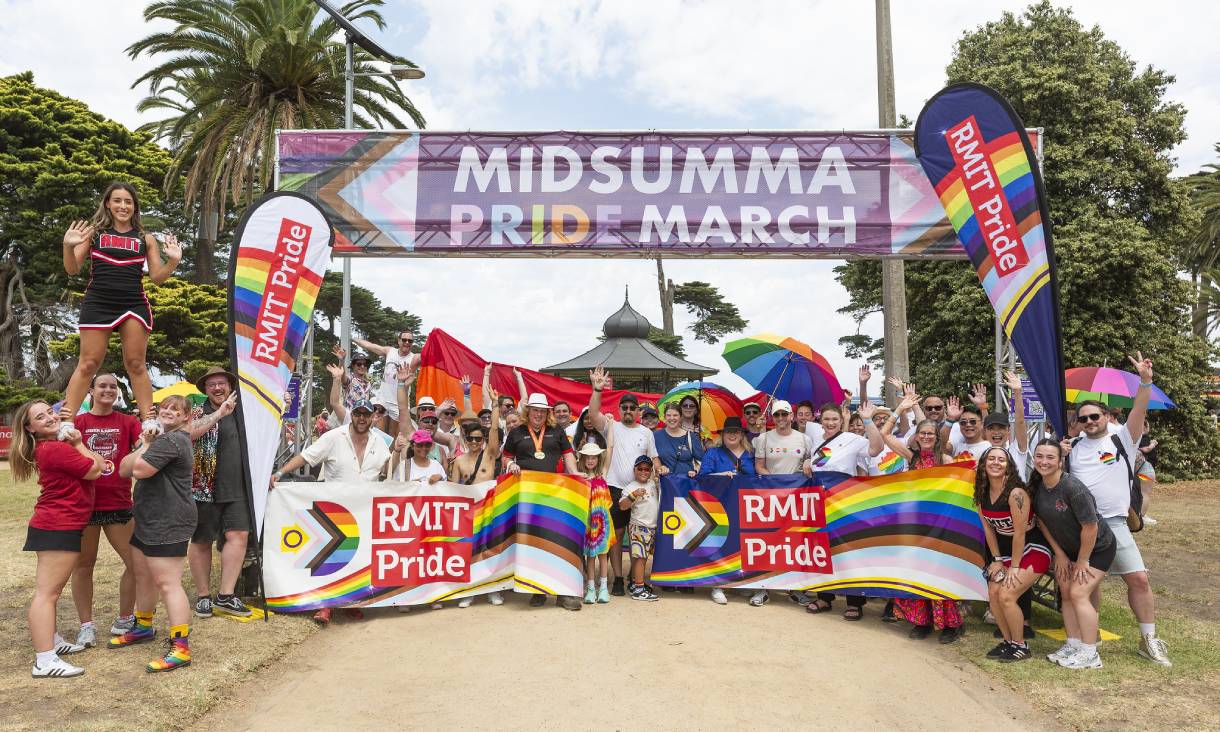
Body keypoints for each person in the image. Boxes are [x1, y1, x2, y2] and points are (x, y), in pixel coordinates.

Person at [1065, 353, 1170, 666]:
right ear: (1077, 423)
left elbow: (1139, 408)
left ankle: (1149, 639)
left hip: (1115, 523)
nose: (1089, 422)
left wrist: (1145, 381)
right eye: (1083, 419)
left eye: (1094, 417)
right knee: (1088, 584)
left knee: (1138, 579)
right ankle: (1089, 636)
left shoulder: (1123, 438)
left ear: (1106, 416)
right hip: (1083, 526)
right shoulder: (1072, 448)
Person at [58, 183, 182, 436]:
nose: (123, 206)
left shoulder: (144, 239)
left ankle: (149, 421)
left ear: (135, 206)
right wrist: (68, 246)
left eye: (128, 202)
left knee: (135, 363)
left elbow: (157, 277)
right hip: (98, 302)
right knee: (89, 363)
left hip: (133, 304)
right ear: (107, 204)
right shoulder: (94, 233)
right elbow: (72, 269)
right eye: (117, 201)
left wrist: (173, 261)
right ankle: (67, 421)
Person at [11, 400, 105, 678]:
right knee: (46, 595)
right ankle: (44, 660)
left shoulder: (55, 445)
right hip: (57, 525)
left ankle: (51, 641)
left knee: (50, 592)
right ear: (30, 428)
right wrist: (78, 443)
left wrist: (76, 443)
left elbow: (98, 465)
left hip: (60, 524)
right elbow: (95, 470)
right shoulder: (53, 448)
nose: (50, 417)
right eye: (41, 417)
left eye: (50, 412)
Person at [107, 395, 197, 673]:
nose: (169, 412)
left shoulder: (173, 441)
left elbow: (140, 470)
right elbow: (123, 470)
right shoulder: (158, 441)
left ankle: (180, 647)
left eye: (176, 409)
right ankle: (144, 626)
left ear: (186, 418)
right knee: (143, 574)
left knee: (168, 583)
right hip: (148, 519)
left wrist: (144, 445)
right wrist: (145, 443)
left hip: (168, 522)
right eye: (165, 407)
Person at [71, 374, 143, 647]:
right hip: (84, 505)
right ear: (90, 390)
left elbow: (143, 450)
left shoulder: (128, 421)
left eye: (113, 386)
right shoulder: (78, 423)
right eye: (102, 385)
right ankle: (86, 626)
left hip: (119, 503)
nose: (108, 390)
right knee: (83, 566)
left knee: (136, 563)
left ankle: (125, 619)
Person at [1031, 440, 1116, 669]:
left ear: (1061, 461)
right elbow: (1042, 522)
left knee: (1079, 593)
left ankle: (1090, 654)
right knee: (1066, 593)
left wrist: (1082, 561)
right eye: (1040, 456)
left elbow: (1091, 527)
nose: (1044, 461)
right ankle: (1073, 643)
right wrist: (1059, 554)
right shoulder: (1037, 486)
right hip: (1067, 550)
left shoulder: (1072, 488)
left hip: (1097, 548)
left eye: (1050, 457)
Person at [805, 401, 884, 618]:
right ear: (821, 422)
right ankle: (824, 597)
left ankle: (855, 601)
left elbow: (876, 448)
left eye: (834, 419)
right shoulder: (815, 442)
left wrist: (868, 420)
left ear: (842, 421)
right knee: (822, 549)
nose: (830, 423)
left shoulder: (853, 440)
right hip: (820, 501)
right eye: (826, 419)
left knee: (848, 549)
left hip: (844, 501)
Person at [502, 392, 580, 610]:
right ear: (528, 411)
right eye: (534, 410)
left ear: (547, 413)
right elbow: (506, 456)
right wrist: (510, 465)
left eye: (542, 411)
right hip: (527, 495)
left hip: (555, 494)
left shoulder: (557, 432)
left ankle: (564, 593)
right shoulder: (516, 432)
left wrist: (574, 474)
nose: (538, 414)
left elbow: (568, 455)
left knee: (559, 539)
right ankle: (537, 590)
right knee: (532, 541)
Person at [587, 366, 660, 597]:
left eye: (632, 408)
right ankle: (617, 577)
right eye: (624, 407)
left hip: (641, 491)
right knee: (617, 537)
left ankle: (635, 577)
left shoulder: (646, 433)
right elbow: (592, 413)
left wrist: (659, 469)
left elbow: (653, 457)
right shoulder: (612, 426)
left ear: (638, 411)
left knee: (641, 534)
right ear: (619, 409)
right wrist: (597, 390)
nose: (628, 411)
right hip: (615, 488)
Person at [975, 446, 1050, 663]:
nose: (996, 463)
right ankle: (1008, 641)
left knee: (1007, 595)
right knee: (993, 592)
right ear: (984, 463)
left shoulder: (1016, 493)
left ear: (1009, 465)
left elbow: (1019, 533)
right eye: (991, 459)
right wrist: (997, 561)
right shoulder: (981, 491)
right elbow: (989, 530)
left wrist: (1014, 567)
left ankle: (1021, 645)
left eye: (1001, 459)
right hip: (1006, 550)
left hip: (1032, 547)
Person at [185, 367, 246, 619]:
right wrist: (219, 414)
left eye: (222, 383)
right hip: (203, 487)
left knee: (238, 535)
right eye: (212, 385)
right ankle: (202, 596)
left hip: (239, 486)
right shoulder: (199, 411)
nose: (218, 388)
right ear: (205, 389)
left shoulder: (245, 411)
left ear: (230, 386)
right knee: (201, 540)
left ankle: (226, 595)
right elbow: (187, 432)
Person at [698, 416, 754, 605]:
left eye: (736, 431)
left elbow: (757, 478)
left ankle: (740, 581)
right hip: (719, 505)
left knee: (742, 544)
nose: (732, 435)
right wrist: (720, 475)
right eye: (729, 431)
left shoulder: (749, 454)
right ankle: (718, 584)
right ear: (722, 434)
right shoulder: (713, 453)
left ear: (742, 434)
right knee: (720, 543)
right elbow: (702, 477)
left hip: (745, 506)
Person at [654, 402, 704, 595]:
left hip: (686, 491)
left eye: (676, 415)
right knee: (667, 532)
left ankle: (686, 577)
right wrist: (659, 467)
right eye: (669, 415)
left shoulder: (692, 437)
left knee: (688, 533)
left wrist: (696, 471)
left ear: (681, 417)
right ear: (664, 417)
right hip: (665, 491)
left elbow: (701, 461)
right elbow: (653, 457)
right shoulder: (656, 435)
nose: (672, 418)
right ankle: (667, 574)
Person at [353, 330, 420, 437]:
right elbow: (370, 346)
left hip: (399, 404)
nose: (407, 342)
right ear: (399, 341)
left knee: (394, 438)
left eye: (410, 341)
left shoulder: (415, 358)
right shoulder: (390, 351)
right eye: (404, 340)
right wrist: (352, 338)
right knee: (377, 435)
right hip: (382, 401)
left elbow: (429, 355)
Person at [576, 442, 616, 604]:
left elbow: (610, 448)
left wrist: (611, 424)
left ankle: (604, 589)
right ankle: (591, 589)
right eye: (588, 457)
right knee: (590, 557)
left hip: (603, 523)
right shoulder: (580, 478)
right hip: (588, 523)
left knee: (603, 555)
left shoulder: (602, 475)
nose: (591, 460)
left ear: (598, 459)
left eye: (594, 457)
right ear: (583, 459)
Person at [619, 455, 661, 602]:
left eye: (647, 469)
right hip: (638, 526)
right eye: (640, 468)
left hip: (652, 527)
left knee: (644, 558)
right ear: (634, 470)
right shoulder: (630, 487)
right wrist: (633, 495)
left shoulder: (653, 484)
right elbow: (622, 506)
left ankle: (636, 583)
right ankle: (638, 588)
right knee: (640, 559)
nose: (644, 471)